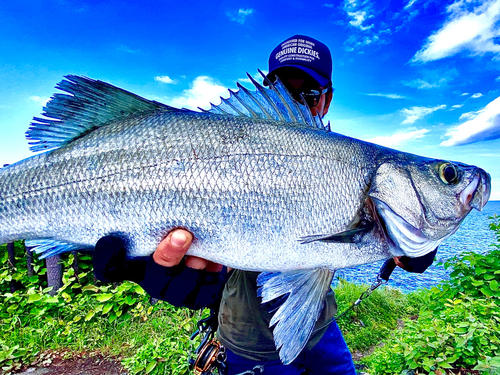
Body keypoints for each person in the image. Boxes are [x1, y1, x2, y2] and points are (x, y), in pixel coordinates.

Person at [93, 35, 436, 375]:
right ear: (266, 93)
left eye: (309, 94)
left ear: (327, 100)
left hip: (320, 328)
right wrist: (182, 277)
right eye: (282, 93)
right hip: (247, 340)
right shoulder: (226, 149)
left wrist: (418, 244)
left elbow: (401, 253)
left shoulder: (351, 166)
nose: (296, 104)